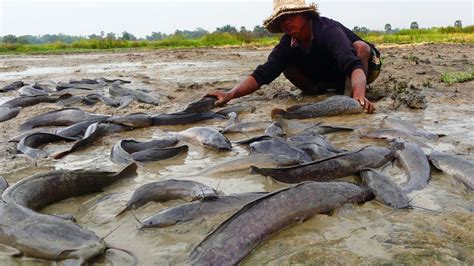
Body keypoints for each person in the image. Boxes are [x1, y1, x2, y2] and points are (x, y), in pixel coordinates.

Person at [206, 0, 381, 113]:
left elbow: (353, 65)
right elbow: (262, 74)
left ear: (305, 15)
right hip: (327, 72)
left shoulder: (328, 31)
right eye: (282, 18)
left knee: (361, 47)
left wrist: (359, 96)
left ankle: (355, 96)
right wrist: (230, 94)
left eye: (292, 15)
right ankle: (317, 91)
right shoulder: (286, 44)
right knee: (286, 65)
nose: (287, 21)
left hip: (364, 67)